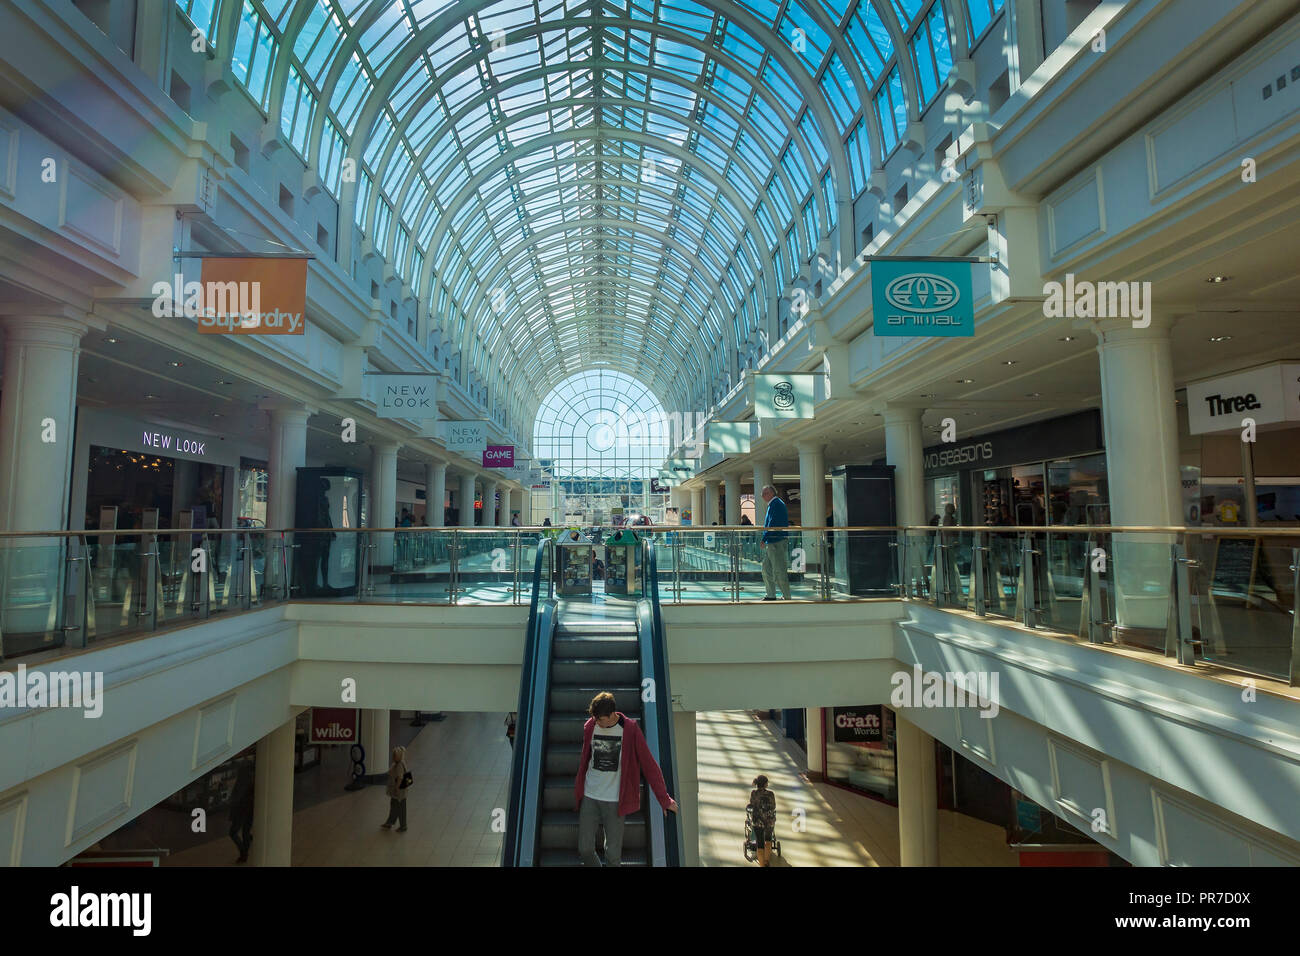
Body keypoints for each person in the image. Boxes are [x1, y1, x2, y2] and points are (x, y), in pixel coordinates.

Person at [574, 692, 678, 866]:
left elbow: (649, 765)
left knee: (613, 856)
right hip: (590, 794)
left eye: (600, 719)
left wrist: (664, 799)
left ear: (611, 715)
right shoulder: (590, 726)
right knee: (585, 849)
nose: (596, 722)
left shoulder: (629, 729)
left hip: (614, 800)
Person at [759, 485, 791, 601]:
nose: (762, 496)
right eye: (762, 493)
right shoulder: (773, 504)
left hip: (776, 541)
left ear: (772, 493)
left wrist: (764, 538)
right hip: (772, 541)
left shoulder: (776, 504)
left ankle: (786, 596)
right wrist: (766, 538)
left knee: (779, 570)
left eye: (765, 493)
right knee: (766, 568)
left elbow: (772, 524)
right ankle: (771, 594)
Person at [228, 758, 254, 863]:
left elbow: (237, 797)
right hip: (250, 809)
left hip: (241, 810)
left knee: (233, 832)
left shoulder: (242, 781)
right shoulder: (252, 779)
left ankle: (244, 852)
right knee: (246, 832)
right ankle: (245, 852)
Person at [749, 774, 777, 867]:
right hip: (769, 821)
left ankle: (762, 865)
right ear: (765, 784)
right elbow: (773, 806)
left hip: (758, 822)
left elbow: (752, 804)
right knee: (768, 840)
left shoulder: (754, 793)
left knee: (760, 844)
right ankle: (766, 861)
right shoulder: (771, 794)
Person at [381, 746, 411, 832]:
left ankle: (403, 826)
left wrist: (396, 789)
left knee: (400, 808)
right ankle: (390, 822)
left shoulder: (399, 765)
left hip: (399, 791)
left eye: (394, 755)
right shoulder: (399, 763)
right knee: (394, 806)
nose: (393, 757)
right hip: (400, 790)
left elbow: (400, 778)